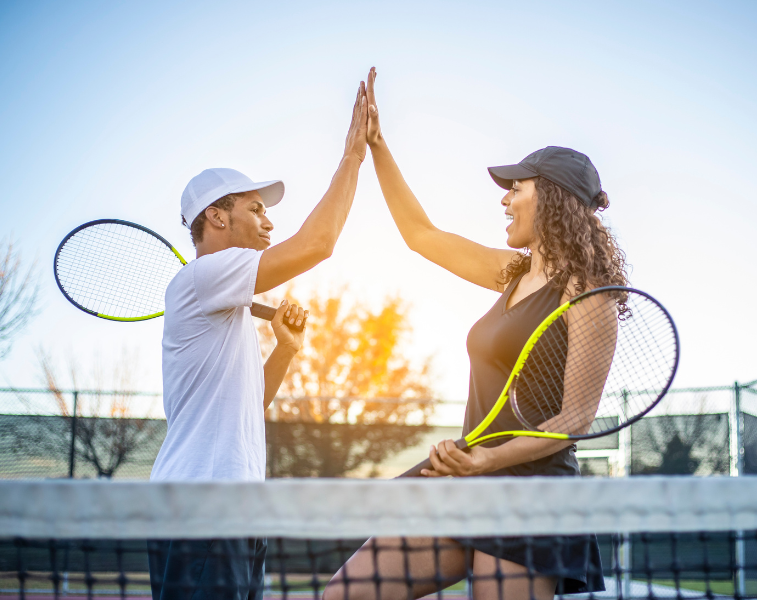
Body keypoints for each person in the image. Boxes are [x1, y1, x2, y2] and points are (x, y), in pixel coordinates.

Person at [324, 68, 627, 600]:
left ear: (551, 198)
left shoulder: (589, 294)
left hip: (529, 501)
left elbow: (574, 421)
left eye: (517, 188)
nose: (505, 200)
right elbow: (422, 235)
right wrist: (377, 146)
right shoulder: (511, 273)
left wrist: (485, 459)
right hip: (466, 482)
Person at [148, 82, 369, 600]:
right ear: (217, 217)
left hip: (238, 512)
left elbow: (248, 406)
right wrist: (352, 156)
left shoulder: (228, 308)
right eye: (255, 208)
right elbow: (319, 244)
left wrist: (285, 348)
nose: (269, 220)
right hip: (200, 509)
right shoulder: (204, 277)